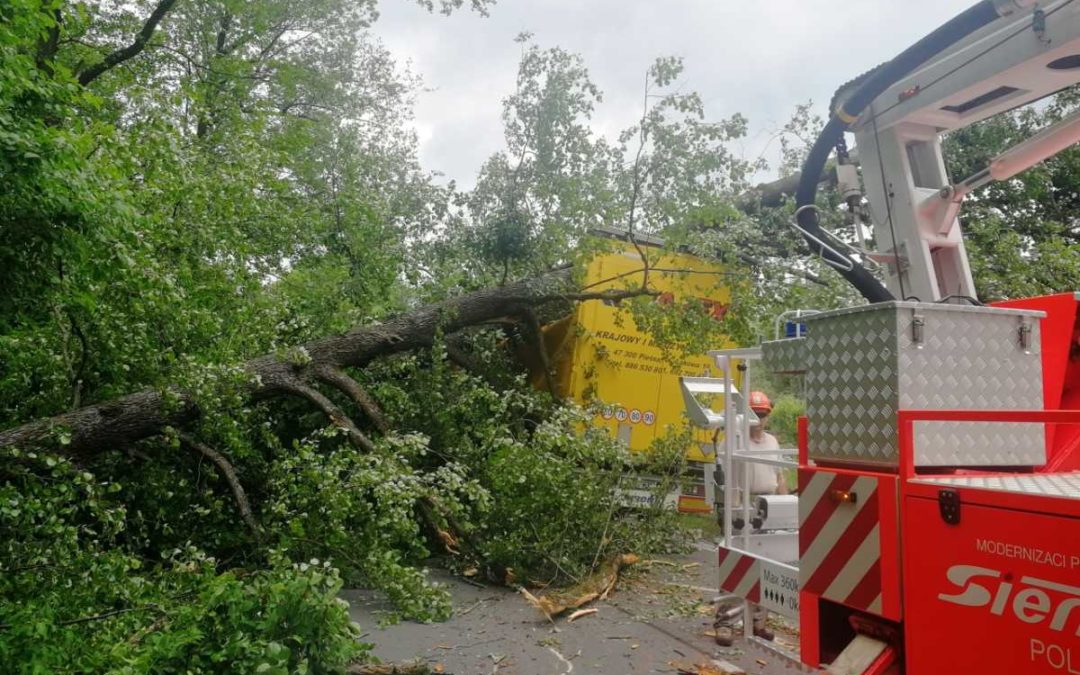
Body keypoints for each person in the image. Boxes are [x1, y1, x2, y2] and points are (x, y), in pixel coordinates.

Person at [714, 390, 787, 646]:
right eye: (755, 414)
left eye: (763, 414)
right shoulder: (733, 442)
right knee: (735, 564)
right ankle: (725, 622)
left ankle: (758, 622)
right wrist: (730, 511)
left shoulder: (772, 442)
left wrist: (785, 508)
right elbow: (723, 477)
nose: (759, 419)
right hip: (741, 505)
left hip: (766, 506)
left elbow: (779, 477)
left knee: (765, 567)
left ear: (769, 414)